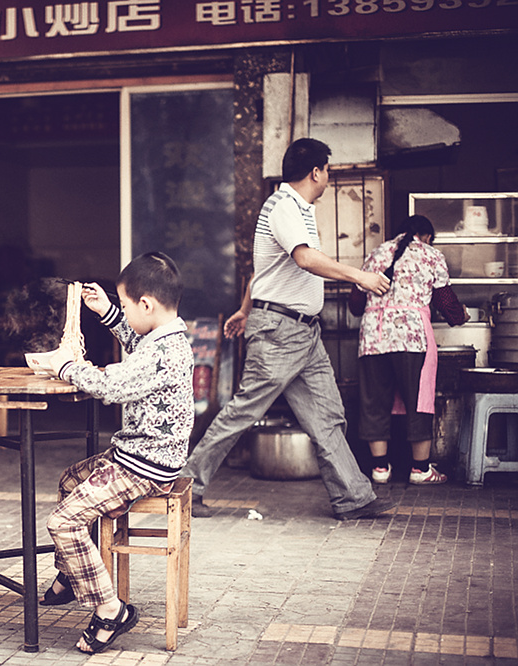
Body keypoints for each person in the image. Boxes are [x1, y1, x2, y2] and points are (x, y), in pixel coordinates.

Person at [183, 138, 396, 521]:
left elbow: (263, 270)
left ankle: (354, 498)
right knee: (244, 412)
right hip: (281, 332)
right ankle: (186, 486)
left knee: (328, 415)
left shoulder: (297, 209)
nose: (328, 177)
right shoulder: (284, 207)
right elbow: (304, 259)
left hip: (302, 333)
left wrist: (245, 309)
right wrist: (360, 277)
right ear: (316, 172)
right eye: (328, 170)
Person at [40, 252, 194, 654]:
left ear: (147, 304)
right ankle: (70, 575)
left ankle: (111, 610)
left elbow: (111, 387)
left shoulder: (164, 353)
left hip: (144, 466)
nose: (123, 312)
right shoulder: (163, 337)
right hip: (137, 454)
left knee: (63, 522)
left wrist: (65, 367)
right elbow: (134, 336)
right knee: (69, 480)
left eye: (125, 305)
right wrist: (107, 310)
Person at [350, 215, 468, 485]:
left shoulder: (377, 253)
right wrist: (461, 316)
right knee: (418, 401)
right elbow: (446, 304)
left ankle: (380, 470)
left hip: (373, 337)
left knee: (374, 401)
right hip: (411, 338)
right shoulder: (430, 255)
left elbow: (356, 304)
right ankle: (420, 470)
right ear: (426, 236)